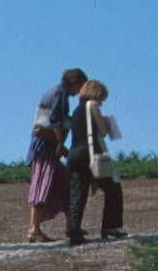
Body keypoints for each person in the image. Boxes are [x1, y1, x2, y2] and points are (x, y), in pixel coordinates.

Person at [26, 68, 84, 242]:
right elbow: (55, 121)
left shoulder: (55, 92)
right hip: (45, 148)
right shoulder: (60, 94)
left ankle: (71, 226)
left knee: (65, 184)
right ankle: (34, 229)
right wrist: (60, 144)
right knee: (42, 186)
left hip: (46, 146)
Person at [67, 79, 125, 246]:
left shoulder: (77, 110)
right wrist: (107, 122)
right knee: (113, 187)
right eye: (102, 98)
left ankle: (74, 230)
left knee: (79, 193)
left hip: (74, 153)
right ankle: (110, 226)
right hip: (89, 154)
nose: (101, 102)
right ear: (96, 94)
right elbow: (103, 132)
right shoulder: (92, 105)